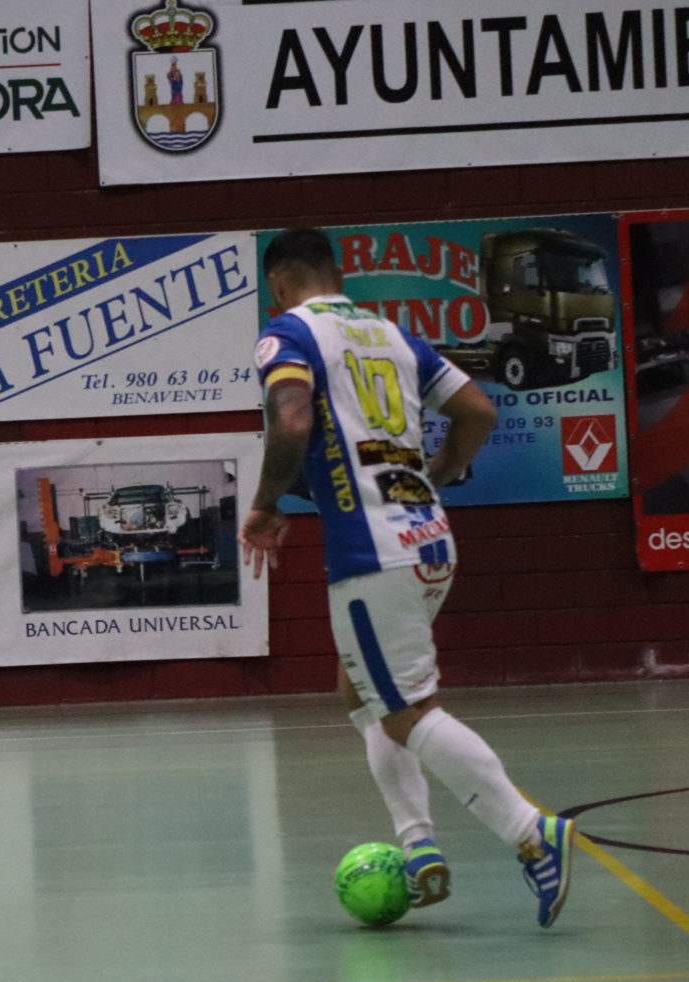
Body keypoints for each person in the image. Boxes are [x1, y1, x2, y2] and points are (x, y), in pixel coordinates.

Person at [239, 228, 574, 927]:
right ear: (337, 275)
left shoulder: (287, 333)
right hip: (428, 538)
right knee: (359, 689)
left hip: (372, 551)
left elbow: (291, 422)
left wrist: (266, 505)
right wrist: (441, 470)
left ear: (278, 285)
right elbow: (478, 410)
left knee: (404, 710)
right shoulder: (392, 335)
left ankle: (530, 831)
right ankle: (418, 844)